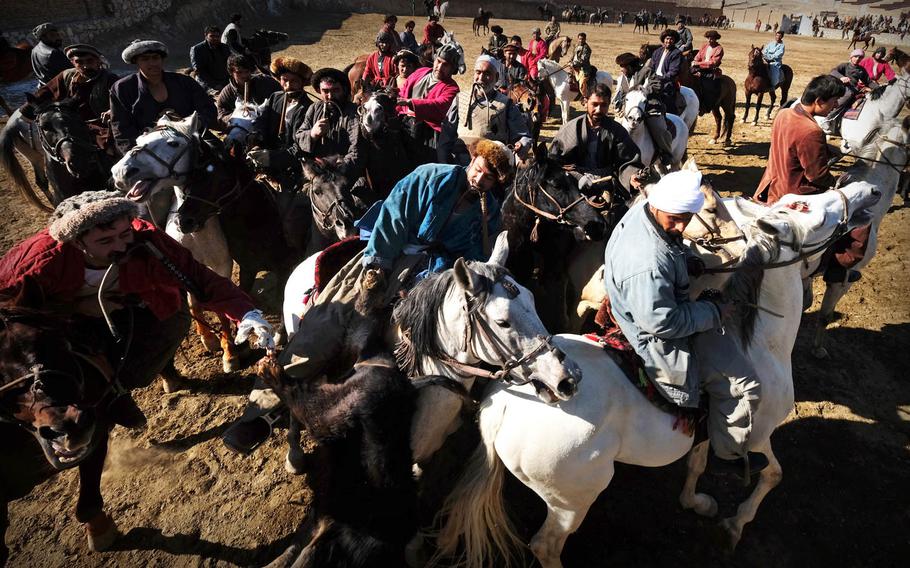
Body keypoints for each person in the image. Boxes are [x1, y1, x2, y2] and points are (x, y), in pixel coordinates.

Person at [224, 140, 511, 450]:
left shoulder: (488, 212)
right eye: (479, 170)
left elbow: (473, 256)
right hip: (392, 253)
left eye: (489, 178)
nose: (479, 180)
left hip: (437, 274)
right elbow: (394, 216)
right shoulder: (432, 176)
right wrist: (379, 266)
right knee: (330, 322)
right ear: (473, 160)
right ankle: (259, 413)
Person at [0, 191, 273, 430]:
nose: (121, 246)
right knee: (59, 370)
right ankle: (111, 401)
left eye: (124, 234)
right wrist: (77, 306)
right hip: (66, 321)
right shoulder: (35, 264)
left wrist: (246, 312)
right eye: (105, 242)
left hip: (147, 304)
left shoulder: (149, 241)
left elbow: (199, 277)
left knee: (148, 356)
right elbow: (9, 311)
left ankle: (127, 386)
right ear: (76, 242)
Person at [604, 170, 767, 478]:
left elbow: (668, 245)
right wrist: (714, 312)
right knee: (745, 387)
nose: (680, 226)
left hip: (644, 306)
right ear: (658, 205)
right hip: (654, 338)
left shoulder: (644, 211)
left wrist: (686, 260)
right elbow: (663, 323)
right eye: (675, 219)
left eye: (686, 218)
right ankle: (726, 455)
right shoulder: (648, 261)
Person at [753, 75, 864, 285]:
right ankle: (835, 269)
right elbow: (817, 176)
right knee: (854, 219)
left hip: (769, 185)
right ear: (819, 100)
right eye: (833, 103)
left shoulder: (784, 113)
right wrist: (837, 181)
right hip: (796, 194)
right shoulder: (812, 131)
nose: (834, 108)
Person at [246, 56, 313, 252]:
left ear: (302, 83)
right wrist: (255, 138)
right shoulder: (275, 97)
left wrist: (271, 158)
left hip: (291, 170)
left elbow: (299, 148)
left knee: (284, 213)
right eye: (285, 80)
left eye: (294, 81)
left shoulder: (308, 108)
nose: (288, 85)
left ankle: (290, 250)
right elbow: (260, 121)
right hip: (264, 160)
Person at [110, 40, 217, 156]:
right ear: (136, 62)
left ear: (162, 59)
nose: (152, 63)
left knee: (220, 155)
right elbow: (121, 129)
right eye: (145, 59)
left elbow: (208, 108)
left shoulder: (184, 82)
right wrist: (136, 152)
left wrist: (193, 124)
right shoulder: (122, 89)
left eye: (155, 58)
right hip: (147, 149)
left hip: (192, 140)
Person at [19, 44, 119, 152]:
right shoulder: (67, 76)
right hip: (70, 125)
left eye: (89, 61)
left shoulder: (110, 79)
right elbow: (44, 93)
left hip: (100, 126)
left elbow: (124, 102)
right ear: (73, 62)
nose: (85, 66)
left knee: (109, 148)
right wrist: (26, 112)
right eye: (79, 62)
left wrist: (111, 111)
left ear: (98, 61)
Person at [439, 54, 532, 165]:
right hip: (460, 164)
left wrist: (521, 144)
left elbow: (523, 136)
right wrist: (444, 162)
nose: (481, 78)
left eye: (487, 73)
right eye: (478, 72)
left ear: (497, 77)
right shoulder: (460, 99)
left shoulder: (506, 104)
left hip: (491, 168)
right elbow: (446, 136)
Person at [549, 83, 643, 192]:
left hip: (608, 183)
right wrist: (576, 176)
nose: (598, 110)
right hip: (573, 185)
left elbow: (627, 162)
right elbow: (554, 161)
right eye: (594, 104)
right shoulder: (570, 129)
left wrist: (631, 176)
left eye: (603, 105)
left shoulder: (617, 131)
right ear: (585, 102)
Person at [295, 68, 364, 180]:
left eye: (335, 90)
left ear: (344, 90)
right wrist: (312, 134)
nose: (330, 96)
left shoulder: (354, 113)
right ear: (319, 91)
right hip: (317, 174)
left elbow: (356, 152)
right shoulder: (314, 108)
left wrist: (334, 172)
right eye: (325, 91)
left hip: (345, 175)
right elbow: (299, 137)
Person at [396, 44, 461, 161]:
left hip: (428, 132)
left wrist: (411, 103)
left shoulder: (452, 88)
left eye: (445, 65)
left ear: (453, 69)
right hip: (404, 122)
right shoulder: (420, 72)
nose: (440, 67)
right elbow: (403, 93)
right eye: (438, 61)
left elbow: (440, 105)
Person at [215, 54, 281, 130]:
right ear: (231, 72)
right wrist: (237, 115)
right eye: (239, 72)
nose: (244, 75)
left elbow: (281, 97)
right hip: (243, 131)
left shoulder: (265, 81)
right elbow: (221, 117)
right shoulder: (227, 93)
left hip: (271, 125)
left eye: (247, 71)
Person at [828, 48, 872, 127]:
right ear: (851, 57)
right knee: (849, 93)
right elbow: (833, 71)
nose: (857, 59)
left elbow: (868, 82)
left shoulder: (861, 70)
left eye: (860, 57)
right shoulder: (844, 65)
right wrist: (841, 77)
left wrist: (879, 88)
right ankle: (828, 117)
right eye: (855, 56)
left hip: (854, 89)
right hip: (843, 88)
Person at [190, 26, 232, 95]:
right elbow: (199, 71)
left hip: (224, 81)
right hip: (207, 84)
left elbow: (230, 64)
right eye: (212, 36)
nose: (215, 38)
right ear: (206, 35)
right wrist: (214, 85)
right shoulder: (197, 49)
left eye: (217, 36)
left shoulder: (225, 47)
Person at [692, 30, 725, 113]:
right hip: (699, 68)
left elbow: (713, 63)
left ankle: (705, 106)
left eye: (712, 39)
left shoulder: (719, 49)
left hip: (710, 72)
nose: (710, 40)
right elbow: (697, 56)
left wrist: (698, 64)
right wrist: (695, 61)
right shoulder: (704, 46)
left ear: (716, 39)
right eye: (708, 38)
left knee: (707, 87)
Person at [30, 22, 72, 87]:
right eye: (52, 35)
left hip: (45, 88)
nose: (58, 38)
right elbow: (72, 74)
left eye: (58, 35)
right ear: (43, 38)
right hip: (58, 90)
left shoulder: (34, 50)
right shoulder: (54, 53)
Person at [571, 32, 594, 99]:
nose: (581, 40)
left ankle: (585, 97)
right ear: (578, 39)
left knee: (582, 84)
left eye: (582, 39)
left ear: (585, 39)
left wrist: (574, 64)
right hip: (574, 67)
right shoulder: (576, 46)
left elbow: (583, 60)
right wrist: (570, 61)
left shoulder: (587, 48)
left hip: (583, 69)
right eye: (580, 39)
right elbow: (573, 55)